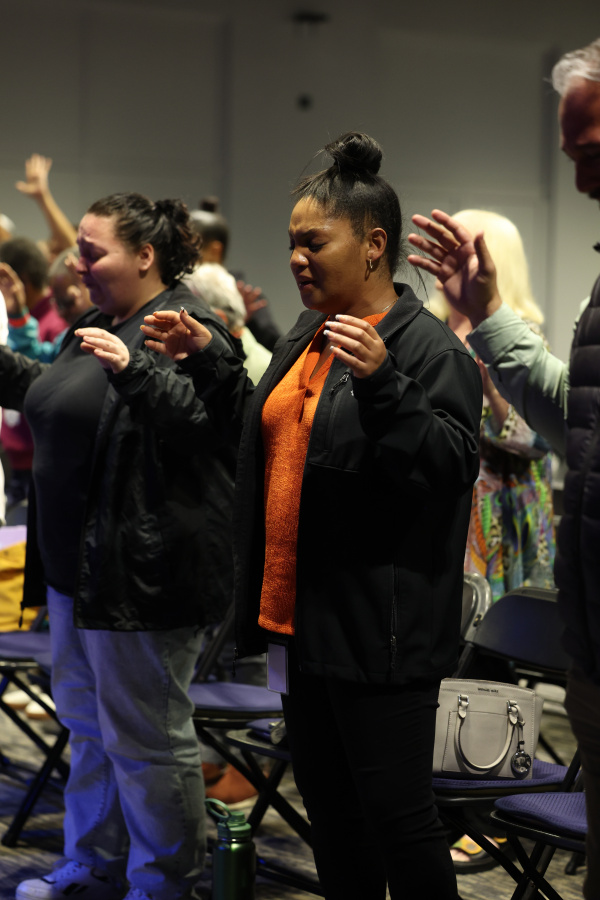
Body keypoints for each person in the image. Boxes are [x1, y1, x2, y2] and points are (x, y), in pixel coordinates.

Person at [142, 132, 483, 900]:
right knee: (332, 820)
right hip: (302, 626)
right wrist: (210, 358)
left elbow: (450, 468)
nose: (297, 259)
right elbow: (269, 437)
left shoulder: (427, 350)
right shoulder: (309, 333)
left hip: (381, 638)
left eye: (314, 243)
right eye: (291, 243)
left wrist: (386, 387)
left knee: (400, 824)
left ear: (374, 245)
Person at [0, 192, 238, 900]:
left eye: (92, 252)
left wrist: (134, 372)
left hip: (142, 575)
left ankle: (162, 884)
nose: (77, 264)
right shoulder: (100, 323)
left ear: (145, 256)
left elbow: (207, 425)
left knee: (146, 738)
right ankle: (95, 864)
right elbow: (52, 391)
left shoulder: (185, 325)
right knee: (88, 725)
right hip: (77, 572)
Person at [406, 37, 600, 900]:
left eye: (590, 152)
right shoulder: (463, 325)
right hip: (491, 538)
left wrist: (487, 379)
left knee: (483, 670)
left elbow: (531, 438)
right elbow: (577, 422)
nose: (578, 177)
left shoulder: (521, 325)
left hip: (500, 517)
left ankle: (475, 804)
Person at [430, 210, 555, 605]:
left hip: (501, 521)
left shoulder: (518, 338)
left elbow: (540, 439)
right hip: (440, 510)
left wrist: (494, 391)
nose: (443, 256)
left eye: (457, 249)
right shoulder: (430, 328)